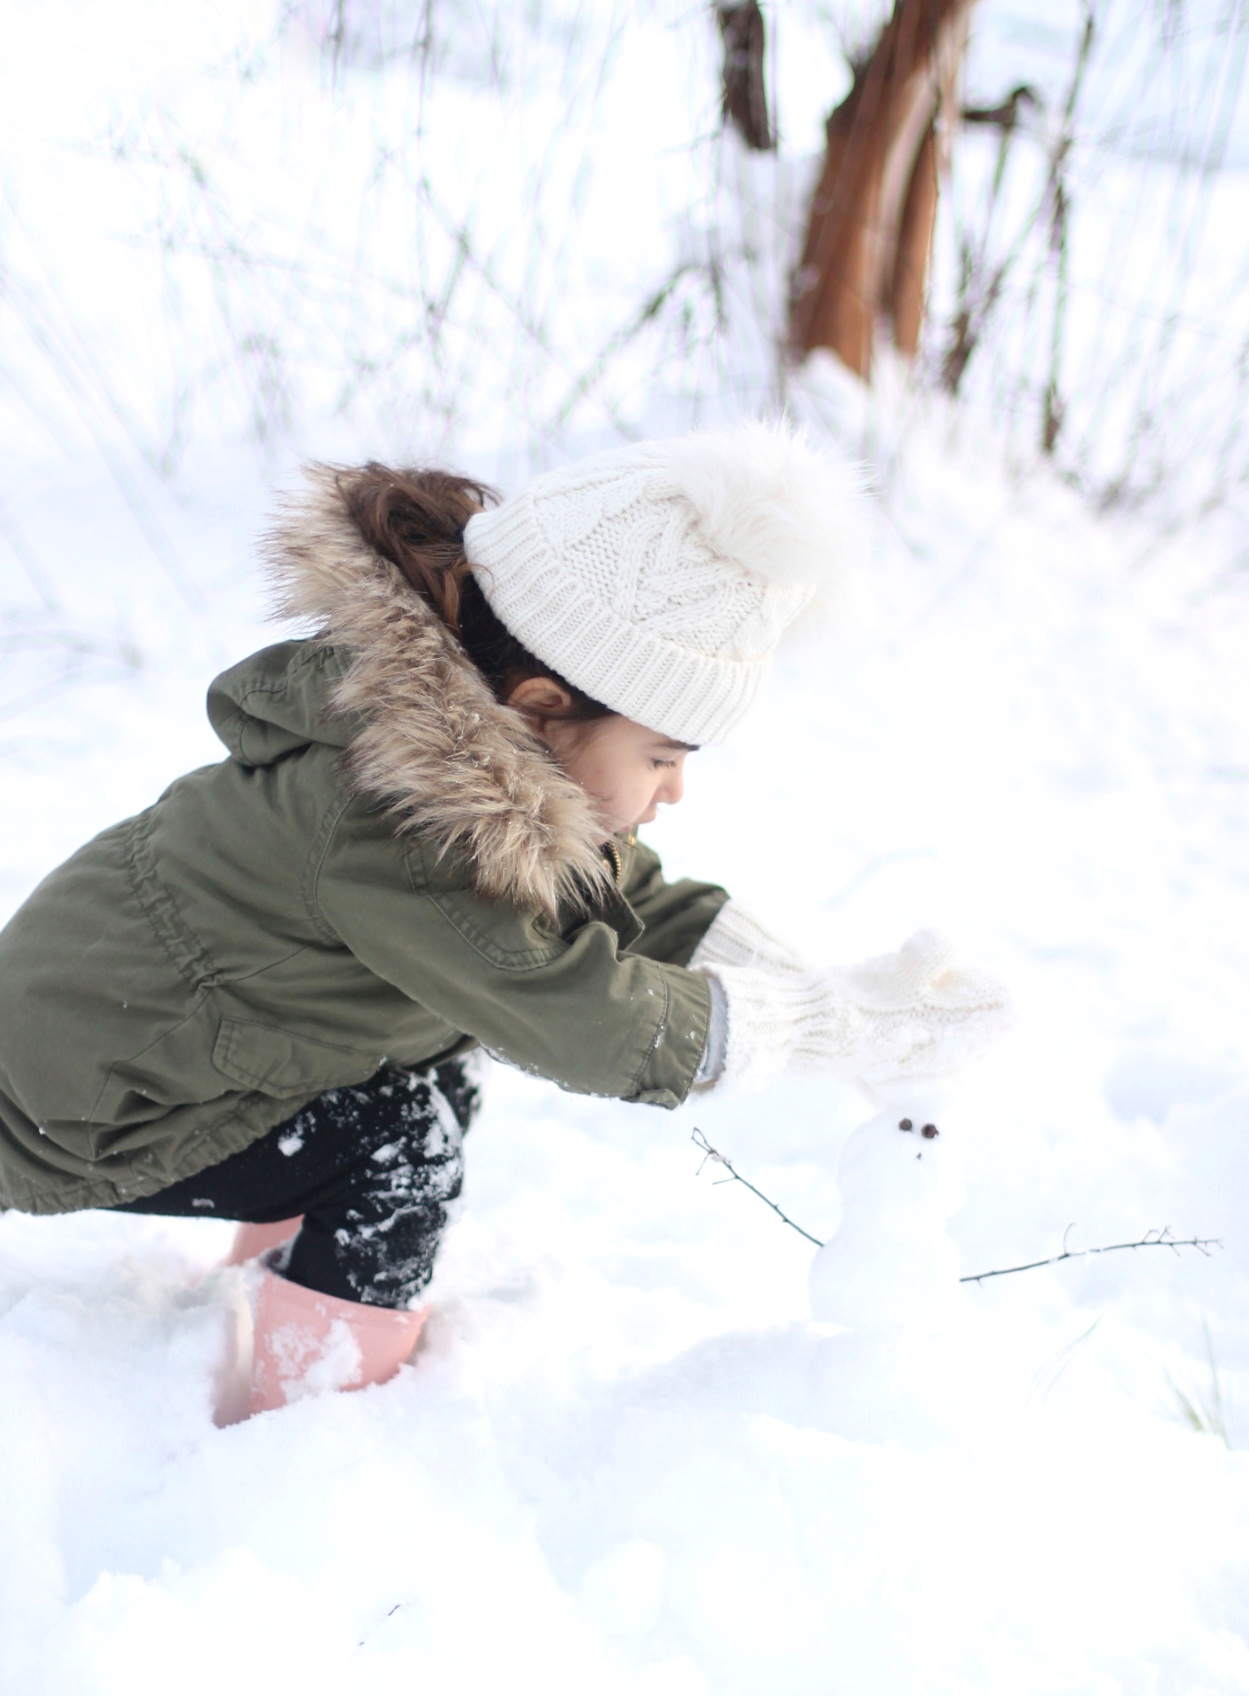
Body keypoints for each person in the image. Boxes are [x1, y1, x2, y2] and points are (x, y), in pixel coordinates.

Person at [0, 424, 1010, 1418]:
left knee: (423, 1068)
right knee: (401, 1144)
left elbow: (623, 899)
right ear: (535, 708)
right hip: (65, 1115)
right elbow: (588, 1018)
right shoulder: (398, 825)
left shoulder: (461, 764)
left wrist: (837, 997)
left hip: (149, 1061)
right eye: (662, 755)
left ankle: (287, 1285)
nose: (673, 792)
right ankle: (305, 1424)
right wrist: (825, 1024)